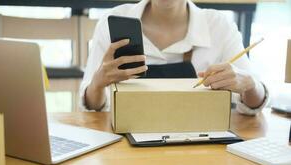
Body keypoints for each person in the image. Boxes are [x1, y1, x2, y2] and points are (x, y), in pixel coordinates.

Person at [80, 0, 268, 115]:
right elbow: (91, 108)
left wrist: (250, 84)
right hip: (125, 146)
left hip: (200, 147)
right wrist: (97, 84)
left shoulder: (219, 26)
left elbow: (254, 106)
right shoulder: (112, 20)